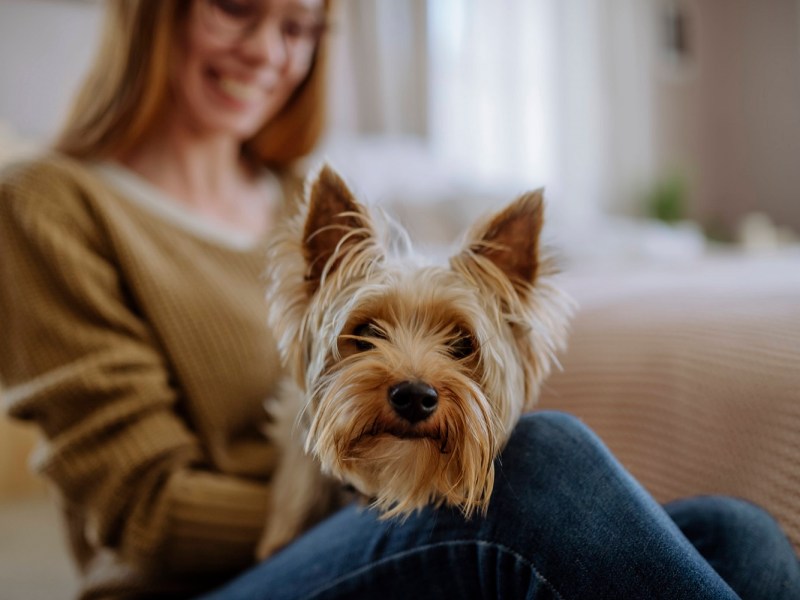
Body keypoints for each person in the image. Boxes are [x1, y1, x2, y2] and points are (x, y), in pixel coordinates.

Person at [0, 1, 797, 599]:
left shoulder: (296, 194)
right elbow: (142, 511)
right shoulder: (50, 202)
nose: (268, 52)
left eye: (299, 28)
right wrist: (380, 488)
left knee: (741, 534)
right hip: (199, 583)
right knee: (540, 463)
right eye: (238, 7)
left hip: (347, 522)